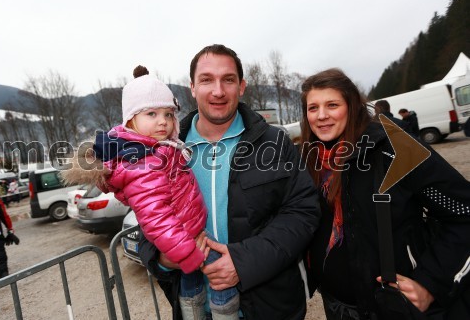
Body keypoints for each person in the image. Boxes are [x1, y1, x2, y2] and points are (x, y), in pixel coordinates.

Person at [139, 44, 320, 320]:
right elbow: (147, 222)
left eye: (228, 80)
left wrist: (243, 262)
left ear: (242, 86)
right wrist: (163, 259)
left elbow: (303, 212)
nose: (218, 91)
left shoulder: (275, 141)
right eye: (207, 80)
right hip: (197, 309)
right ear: (192, 87)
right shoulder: (162, 151)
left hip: (268, 308)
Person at [61, 66, 241, 320]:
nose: (163, 121)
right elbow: (156, 219)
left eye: (168, 114)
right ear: (131, 120)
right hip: (186, 240)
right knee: (221, 283)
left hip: (189, 232)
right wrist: (187, 254)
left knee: (192, 288)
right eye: (152, 113)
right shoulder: (141, 163)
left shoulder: (158, 150)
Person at [300, 68, 470, 319]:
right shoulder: (309, 161)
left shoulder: (395, 148)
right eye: (313, 108)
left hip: (395, 309)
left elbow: (464, 214)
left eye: (332, 105)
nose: (321, 115)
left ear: (353, 106)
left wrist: (431, 284)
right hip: (337, 307)